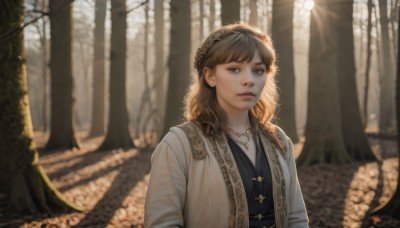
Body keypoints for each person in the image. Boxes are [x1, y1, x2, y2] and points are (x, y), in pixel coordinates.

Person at [144, 23, 308, 228]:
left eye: (258, 70)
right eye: (234, 69)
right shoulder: (178, 144)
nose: (249, 80)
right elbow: (162, 224)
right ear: (210, 76)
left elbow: (296, 219)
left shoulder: (279, 140)